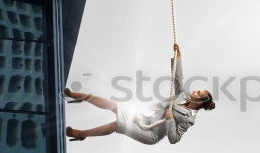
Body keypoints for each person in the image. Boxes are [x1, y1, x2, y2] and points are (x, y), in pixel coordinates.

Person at [64, 43, 215, 144]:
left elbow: (174, 139)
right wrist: (179, 56)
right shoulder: (183, 96)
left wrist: (170, 119)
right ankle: (76, 95)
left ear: (201, 101)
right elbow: (178, 77)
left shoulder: (189, 120)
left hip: (151, 134)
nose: (194, 91)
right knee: (114, 105)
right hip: (146, 119)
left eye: (198, 92)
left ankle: (81, 133)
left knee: (118, 124)